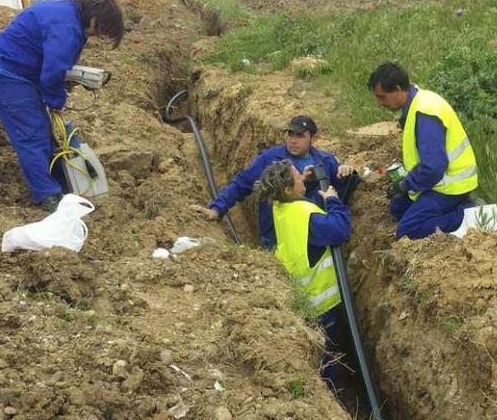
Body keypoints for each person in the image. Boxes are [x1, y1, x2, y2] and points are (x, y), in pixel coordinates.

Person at [0, 0, 124, 211]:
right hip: (7, 77)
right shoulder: (67, 27)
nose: (98, 35)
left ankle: (60, 179)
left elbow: (55, 65)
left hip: (21, 74)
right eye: (100, 29)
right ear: (94, 16)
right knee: (32, 135)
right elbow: (52, 72)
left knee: (47, 131)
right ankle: (47, 195)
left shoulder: (71, 14)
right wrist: (56, 100)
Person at [193, 115, 355, 249]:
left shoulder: (326, 161)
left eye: (300, 136)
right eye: (290, 134)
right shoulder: (270, 159)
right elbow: (241, 184)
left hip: (314, 236)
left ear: (314, 138)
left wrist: (346, 173)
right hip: (276, 239)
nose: (293, 140)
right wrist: (217, 209)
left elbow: (339, 192)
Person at [259, 159, 350, 389]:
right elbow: (338, 229)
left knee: (320, 353)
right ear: (288, 189)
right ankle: (331, 395)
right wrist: (333, 201)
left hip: (302, 299)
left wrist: (304, 183)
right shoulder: (305, 213)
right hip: (323, 304)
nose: (302, 176)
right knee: (329, 357)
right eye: (298, 176)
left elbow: (299, 206)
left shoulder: (279, 206)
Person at [367, 61, 478, 239]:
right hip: (438, 181)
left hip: (450, 186)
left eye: (382, 97)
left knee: (409, 229)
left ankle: (468, 214)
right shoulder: (418, 101)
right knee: (398, 207)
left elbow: (433, 167)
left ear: (397, 89)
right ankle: (450, 209)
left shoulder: (425, 113)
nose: (379, 103)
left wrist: (405, 184)